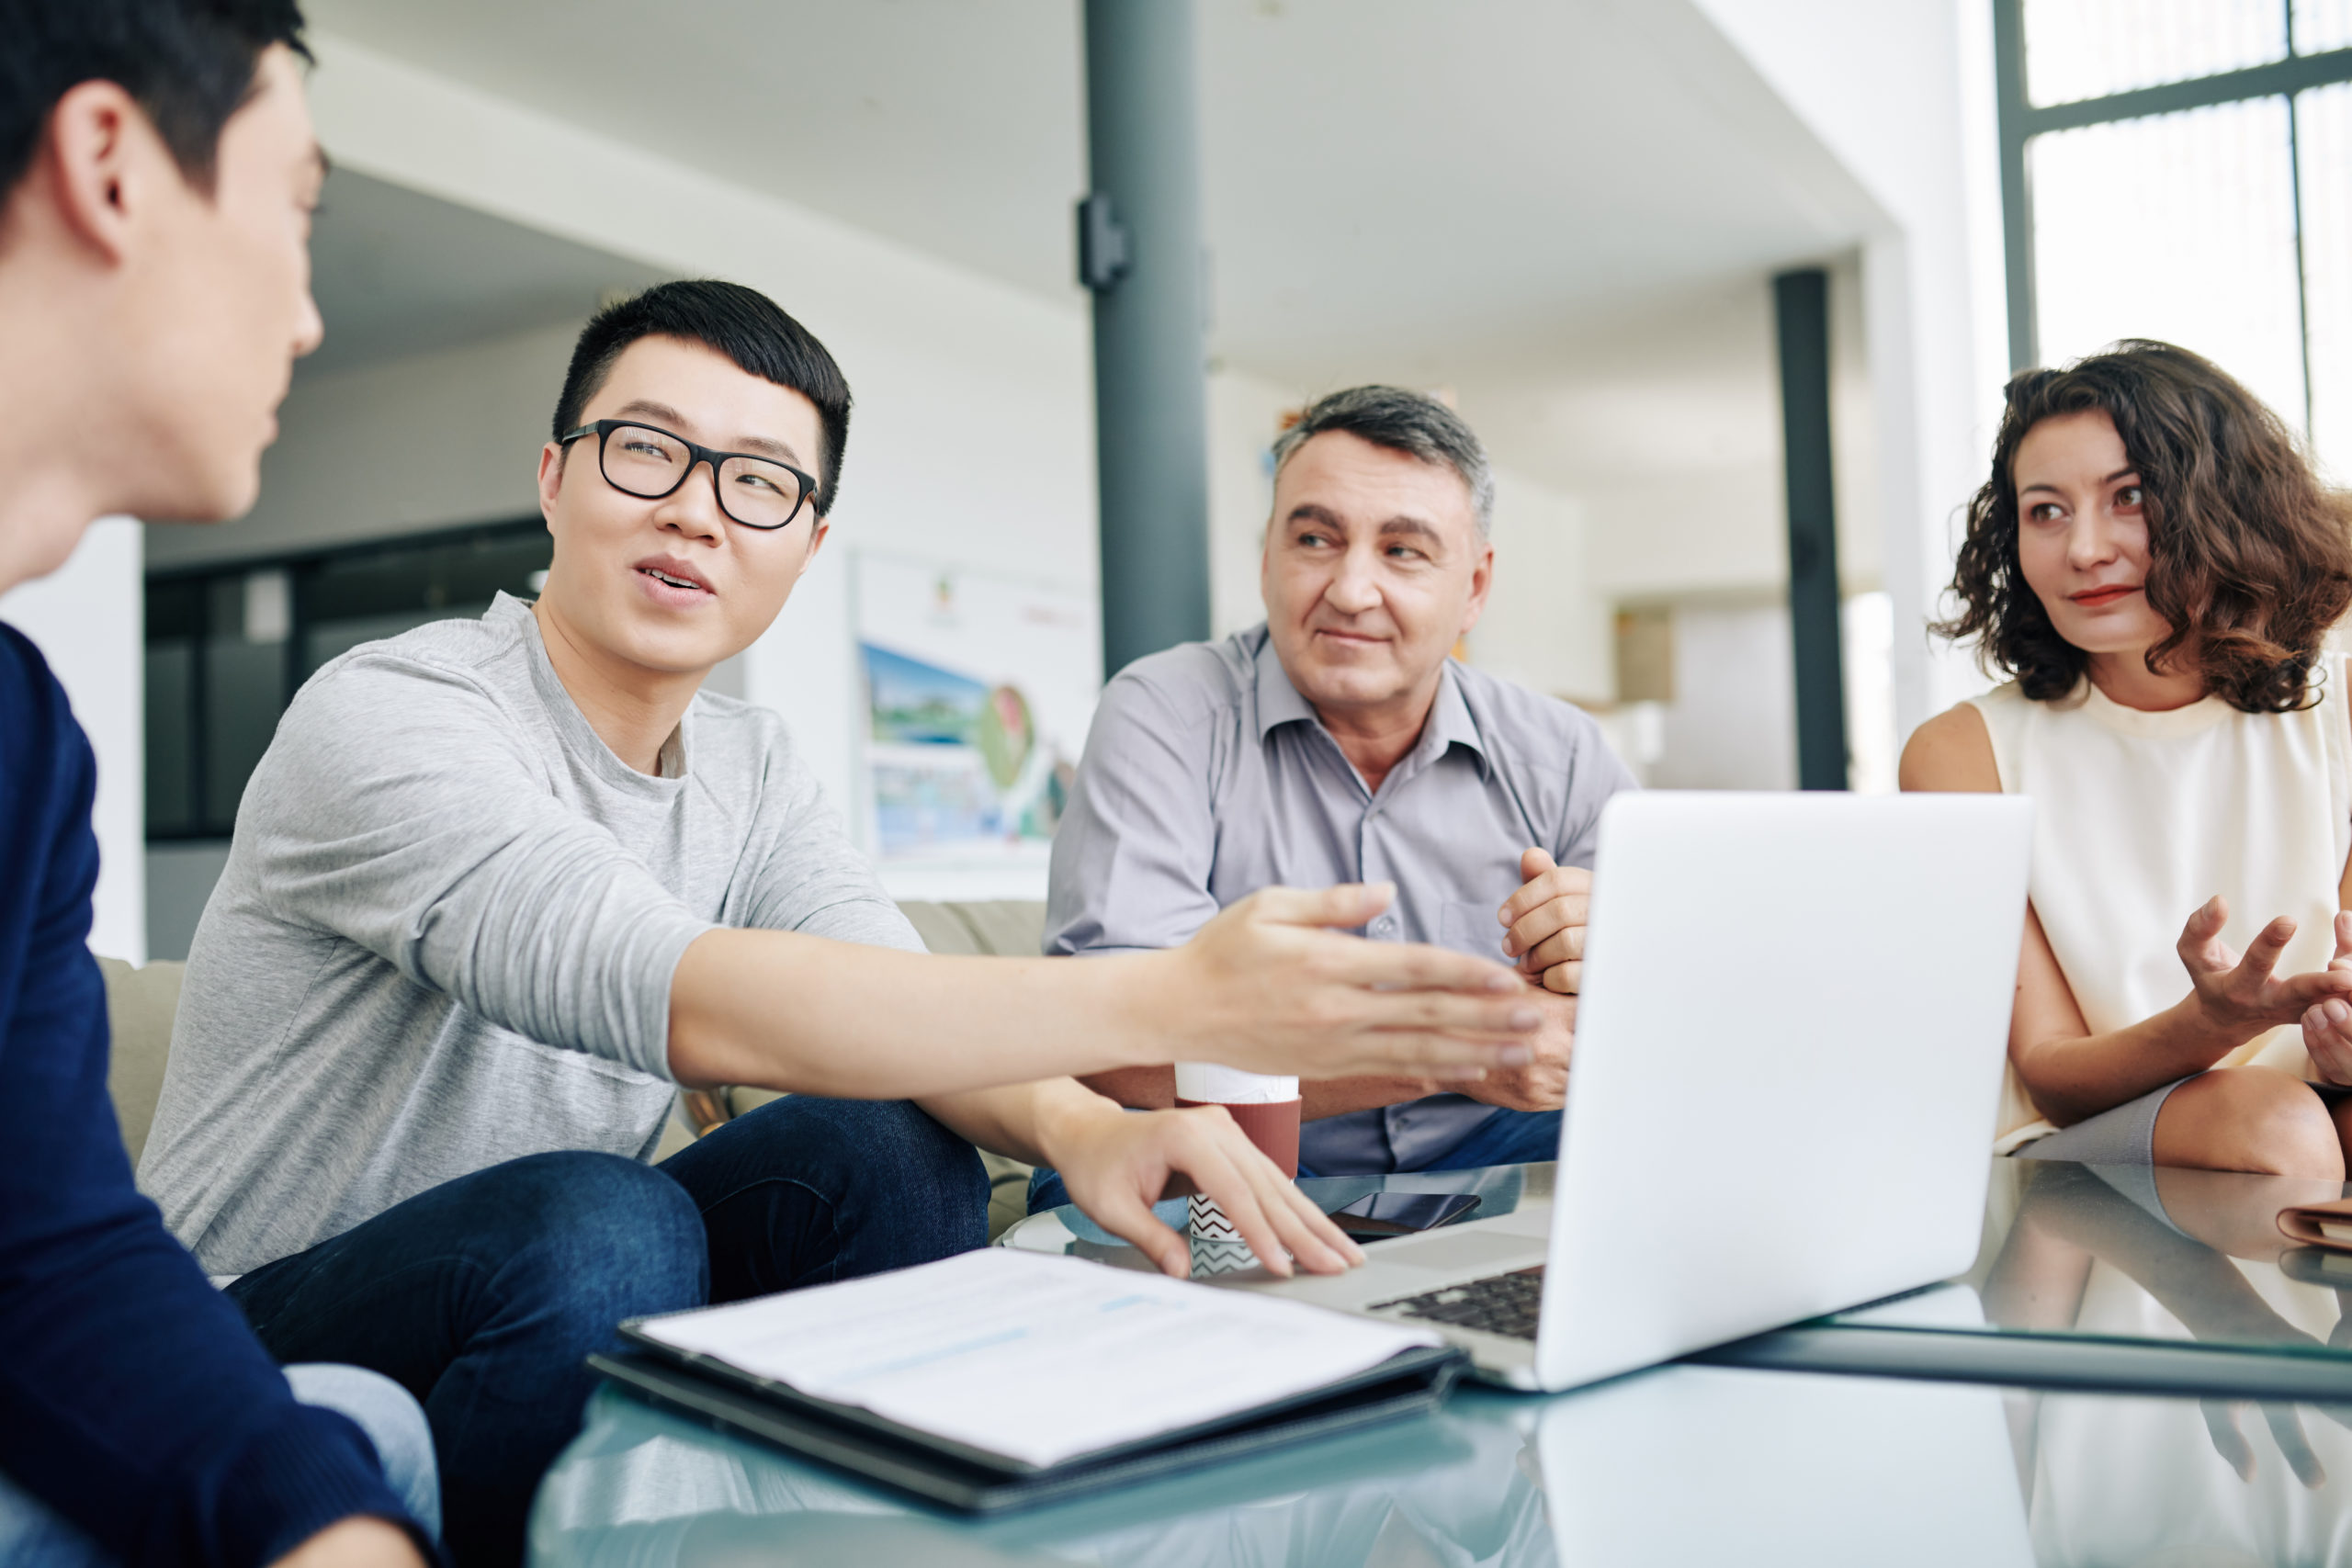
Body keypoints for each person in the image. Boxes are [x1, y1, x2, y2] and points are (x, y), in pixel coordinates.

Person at [138, 286, 1544, 1566]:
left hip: (548, 1293)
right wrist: (1178, 1000)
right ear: (556, 477)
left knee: (892, 1138)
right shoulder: (396, 708)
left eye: (757, 484)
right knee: (602, 1212)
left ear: (804, 546)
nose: (696, 510)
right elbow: (663, 983)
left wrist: (1082, 1127)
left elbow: (887, 996)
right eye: (648, 450)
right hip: (250, 1328)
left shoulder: (753, 767)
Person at [0, 3, 442, 1565]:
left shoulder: (20, 732)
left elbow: (36, 1246)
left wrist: (320, 1527)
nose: (311, 318)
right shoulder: (394, 712)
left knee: (346, 1451)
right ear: (112, 165)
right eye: (297, 205)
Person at [1032, 385, 1634, 1209]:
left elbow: (1677, 1001)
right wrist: (1457, 1049)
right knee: (1110, 1164)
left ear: (1476, 586)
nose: (1351, 590)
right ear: (1268, 557)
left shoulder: (1560, 751)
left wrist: (1618, 950)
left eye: (1403, 551)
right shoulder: (1166, 712)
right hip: (1243, 1141)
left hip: (1497, 1142)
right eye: (1316, 538)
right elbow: (1109, 1037)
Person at [1902, 339, 2352, 1183]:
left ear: (2223, 504)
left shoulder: (2342, 703)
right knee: (2276, 1123)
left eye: (2130, 497)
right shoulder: (1963, 753)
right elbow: (2050, 1070)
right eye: (2046, 510)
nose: (2083, 549)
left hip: (2313, 1105)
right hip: (2086, 1138)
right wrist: (2207, 1025)